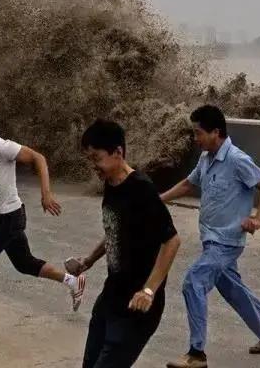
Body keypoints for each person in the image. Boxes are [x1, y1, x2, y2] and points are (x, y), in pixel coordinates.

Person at [162, 106, 260, 368]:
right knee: (230, 287)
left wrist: (259, 219)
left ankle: (197, 354)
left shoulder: (237, 159)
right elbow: (188, 183)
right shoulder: (206, 159)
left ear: (216, 132)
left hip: (226, 241)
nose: (195, 138)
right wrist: (157, 199)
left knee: (193, 282)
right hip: (210, 238)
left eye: (198, 133)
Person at [0, 105, 85, 332]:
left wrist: (46, 193)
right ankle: (72, 281)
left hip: (8, 217)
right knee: (24, 263)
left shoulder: (1, 146)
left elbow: (38, 158)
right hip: (3, 217)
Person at [72, 119, 181, 368]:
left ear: (118, 152)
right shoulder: (111, 184)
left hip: (137, 307)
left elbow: (172, 241)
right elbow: (115, 230)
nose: (94, 166)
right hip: (111, 297)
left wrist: (149, 291)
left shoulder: (142, 189)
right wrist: (88, 260)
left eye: (97, 158)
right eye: (90, 159)